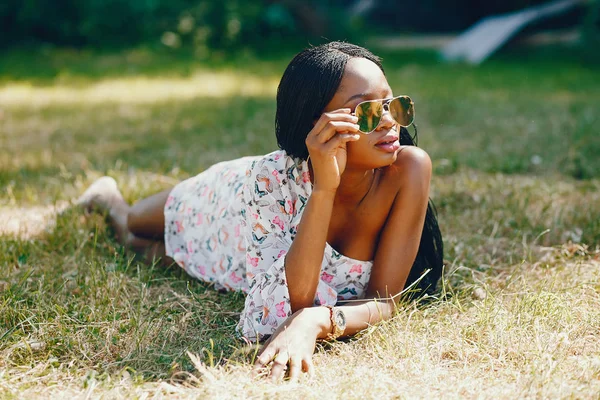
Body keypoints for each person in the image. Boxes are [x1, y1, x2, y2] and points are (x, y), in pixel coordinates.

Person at [78, 41, 443, 380]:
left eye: (392, 104)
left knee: (145, 250)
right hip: (228, 203)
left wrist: (319, 320)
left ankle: (128, 224)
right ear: (316, 123)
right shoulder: (270, 179)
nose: (388, 121)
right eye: (365, 111)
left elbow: (378, 300)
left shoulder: (408, 169)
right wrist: (324, 189)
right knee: (134, 222)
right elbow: (297, 300)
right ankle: (109, 199)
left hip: (250, 263)